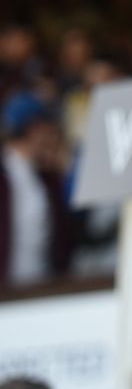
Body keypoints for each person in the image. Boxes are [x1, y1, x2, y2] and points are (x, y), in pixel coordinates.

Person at [0, 92, 71, 287]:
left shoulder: (47, 180)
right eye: (48, 129)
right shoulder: (7, 177)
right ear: (35, 130)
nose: (52, 136)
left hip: (40, 297)